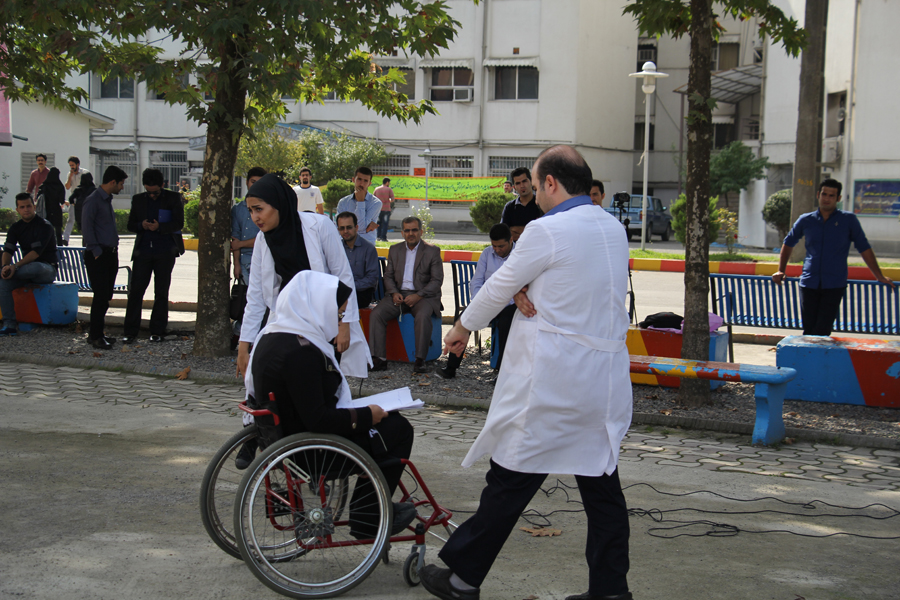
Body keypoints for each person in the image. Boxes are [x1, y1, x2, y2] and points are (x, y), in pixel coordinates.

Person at [419, 146, 633, 600]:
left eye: (535, 187)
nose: (534, 196)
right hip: (602, 385)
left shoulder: (547, 229)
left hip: (551, 382)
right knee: (602, 489)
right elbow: (568, 282)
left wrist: (462, 327)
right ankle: (611, 591)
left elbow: (500, 282)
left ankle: (461, 580)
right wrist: (526, 285)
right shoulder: (613, 228)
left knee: (510, 479)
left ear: (551, 183)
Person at [245, 270, 417, 538]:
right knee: (399, 429)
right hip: (314, 450)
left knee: (386, 423)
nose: (338, 321)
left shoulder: (271, 337)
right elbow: (319, 420)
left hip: (285, 440)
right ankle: (368, 518)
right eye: (338, 314)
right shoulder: (301, 353)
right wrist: (366, 416)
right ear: (316, 306)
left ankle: (369, 510)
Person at [236, 173, 372, 380]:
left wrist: (345, 324)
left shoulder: (320, 226)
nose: (255, 217)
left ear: (279, 204)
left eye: (259, 209)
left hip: (325, 318)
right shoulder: (263, 240)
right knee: (288, 379)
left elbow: (343, 276)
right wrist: (243, 346)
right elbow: (255, 296)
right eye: (250, 211)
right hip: (288, 320)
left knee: (324, 378)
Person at [772, 179, 896, 336]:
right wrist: (781, 270)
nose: (827, 198)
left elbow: (864, 248)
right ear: (818, 195)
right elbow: (789, 242)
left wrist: (879, 276)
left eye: (831, 195)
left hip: (834, 284)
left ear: (838, 198)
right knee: (809, 330)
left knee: (822, 330)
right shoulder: (806, 220)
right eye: (824, 194)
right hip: (809, 283)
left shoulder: (848, 220)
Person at [438, 223, 516, 379]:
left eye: (501, 246)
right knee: (462, 320)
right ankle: (451, 367)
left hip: (510, 304)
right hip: (487, 302)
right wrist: (479, 301)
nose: (497, 250)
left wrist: (503, 302)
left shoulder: (519, 255)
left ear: (511, 240)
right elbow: (476, 281)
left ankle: (501, 373)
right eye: (494, 246)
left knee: (506, 324)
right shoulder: (487, 253)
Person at [368, 216, 443, 374]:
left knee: (422, 316)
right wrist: (394, 292)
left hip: (423, 297)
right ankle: (379, 359)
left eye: (414, 230)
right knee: (376, 314)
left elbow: (437, 281)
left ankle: (420, 360)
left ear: (421, 232)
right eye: (407, 230)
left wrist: (418, 295)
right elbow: (388, 276)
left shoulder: (432, 251)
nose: (411, 234)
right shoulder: (395, 250)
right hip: (399, 295)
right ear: (402, 233)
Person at [121, 169, 186, 344]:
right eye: (148, 192)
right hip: (143, 250)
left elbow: (179, 223)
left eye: (155, 192)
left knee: (161, 292)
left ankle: (157, 330)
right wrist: (141, 225)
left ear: (162, 185)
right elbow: (130, 225)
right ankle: (130, 331)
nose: (151, 195)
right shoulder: (138, 199)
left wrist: (160, 227)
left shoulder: (173, 198)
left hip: (165, 250)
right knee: (136, 291)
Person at [81, 166, 128, 350]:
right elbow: (87, 227)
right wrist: (96, 251)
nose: (122, 187)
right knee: (100, 296)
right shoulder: (93, 200)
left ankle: (97, 332)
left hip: (110, 253)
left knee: (106, 295)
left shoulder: (106, 200)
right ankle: (96, 336)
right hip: (99, 255)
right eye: (121, 184)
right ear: (112, 182)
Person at [0, 193, 58, 336]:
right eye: (22, 207)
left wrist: (14, 267)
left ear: (34, 207)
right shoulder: (15, 228)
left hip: (46, 269)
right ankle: (9, 325)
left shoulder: (45, 226)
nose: (26, 209)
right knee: (4, 283)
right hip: (25, 271)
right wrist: (5, 267)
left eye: (28, 206)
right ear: (17, 210)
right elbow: (8, 250)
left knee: (35, 267)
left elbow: (35, 254)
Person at [230, 167, 266, 348]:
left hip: (264, 260)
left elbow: (265, 238)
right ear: (247, 182)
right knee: (247, 302)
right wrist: (236, 263)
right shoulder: (238, 209)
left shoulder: (268, 208)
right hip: (244, 263)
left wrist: (241, 244)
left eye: (260, 182)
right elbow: (235, 238)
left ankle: (254, 340)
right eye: (253, 182)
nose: (256, 185)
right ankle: (241, 336)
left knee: (261, 302)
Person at [336, 211, 380, 308]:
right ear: (338, 229)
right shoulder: (336, 248)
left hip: (361, 292)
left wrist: (350, 286)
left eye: (349, 227)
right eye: (342, 228)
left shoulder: (368, 248)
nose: (345, 231)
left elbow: (372, 278)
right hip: (340, 291)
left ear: (356, 228)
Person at [336, 167, 381, 245]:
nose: (361, 184)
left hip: (366, 244)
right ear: (353, 180)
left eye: (365, 181)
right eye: (359, 179)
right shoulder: (343, 202)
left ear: (369, 184)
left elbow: (360, 227)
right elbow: (339, 227)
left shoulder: (375, 203)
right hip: (345, 244)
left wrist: (360, 202)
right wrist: (364, 229)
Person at [501, 167, 542, 242]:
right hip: (516, 248)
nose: (522, 185)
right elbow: (504, 233)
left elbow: (544, 231)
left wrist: (515, 230)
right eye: (518, 183)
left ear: (531, 182)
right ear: (514, 187)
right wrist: (532, 231)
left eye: (524, 181)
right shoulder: (509, 207)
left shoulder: (541, 204)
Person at [63, 156, 89, 244]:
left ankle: (85, 238)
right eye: (70, 165)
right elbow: (67, 187)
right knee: (71, 219)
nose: (72, 167)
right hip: (73, 200)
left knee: (83, 220)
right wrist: (70, 176)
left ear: (77, 164)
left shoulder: (84, 173)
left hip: (83, 199)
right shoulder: (70, 174)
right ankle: (65, 238)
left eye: (73, 165)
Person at [37, 167, 66, 247]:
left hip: (46, 210)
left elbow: (38, 197)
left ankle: (46, 246)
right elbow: (61, 200)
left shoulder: (44, 186)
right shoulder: (60, 186)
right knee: (58, 231)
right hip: (56, 210)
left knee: (46, 230)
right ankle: (59, 247)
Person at [374, 177, 395, 241]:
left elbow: (373, 199)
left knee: (378, 223)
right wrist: (388, 200)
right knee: (385, 224)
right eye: (389, 183)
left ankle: (378, 236)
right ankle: (383, 237)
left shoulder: (376, 189)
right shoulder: (389, 189)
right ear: (387, 182)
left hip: (378, 209)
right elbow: (392, 199)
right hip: (386, 209)